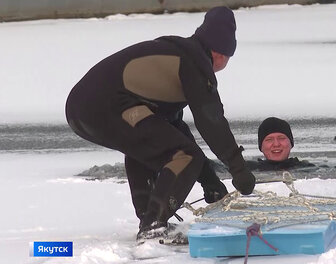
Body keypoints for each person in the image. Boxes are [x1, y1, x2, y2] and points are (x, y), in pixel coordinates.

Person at [65, 7, 255, 240]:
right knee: (185, 156)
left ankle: (149, 217)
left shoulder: (179, 54)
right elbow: (211, 121)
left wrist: (210, 182)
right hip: (104, 106)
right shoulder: (194, 62)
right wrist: (239, 170)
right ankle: (153, 225)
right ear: (222, 53)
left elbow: (176, 130)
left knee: (150, 145)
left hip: (82, 108)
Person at [246, 117, 315, 171]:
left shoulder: (309, 170)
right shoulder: (246, 170)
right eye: (269, 139)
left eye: (281, 138)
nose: (276, 144)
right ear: (261, 147)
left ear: (291, 143)